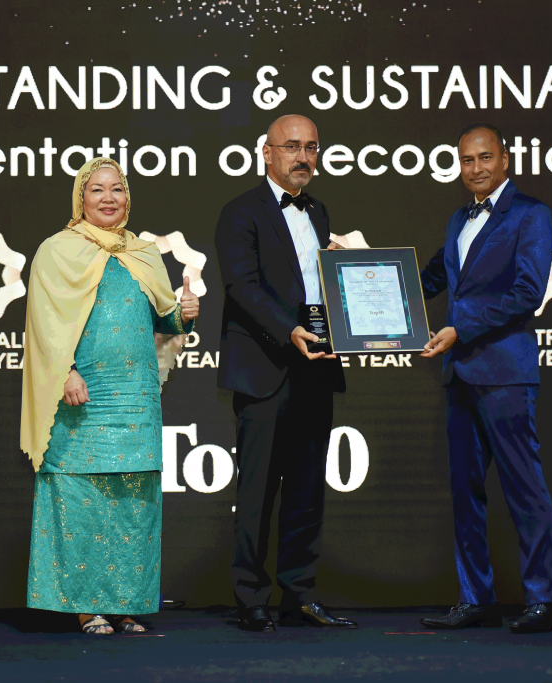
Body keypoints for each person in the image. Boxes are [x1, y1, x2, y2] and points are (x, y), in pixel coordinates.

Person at [21, 158, 199, 635]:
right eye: (96, 189)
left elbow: (162, 321)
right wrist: (65, 371)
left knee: (132, 500)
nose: (107, 197)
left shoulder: (143, 252)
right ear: (80, 197)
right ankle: (86, 607)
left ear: (127, 197)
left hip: (136, 398)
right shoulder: (57, 251)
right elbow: (44, 322)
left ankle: (124, 603)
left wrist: (183, 313)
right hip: (82, 395)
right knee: (81, 500)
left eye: (116, 189)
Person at [214, 115, 356, 633]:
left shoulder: (318, 211)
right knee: (257, 491)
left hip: (316, 365)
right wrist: (288, 330)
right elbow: (242, 286)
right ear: (267, 152)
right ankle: (251, 597)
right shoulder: (240, 211)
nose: (303, 156)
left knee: (306, 489)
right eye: (292, 146)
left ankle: (300, 594)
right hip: (265, 367)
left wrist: (340, 273)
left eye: (311, 147)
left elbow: (311, 286)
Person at [418, 123, 552, 634]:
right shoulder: (459, 218)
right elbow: (432, 277)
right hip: (460, 374)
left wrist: (461, 328)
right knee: (466, 492)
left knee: (524, 489)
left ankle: (541, 601)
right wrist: (361, 272)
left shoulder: (531, 214)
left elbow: (528, 292)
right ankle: (475, 598)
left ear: (505, 160)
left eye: (484, 157)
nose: (475, 168)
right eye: (466, 160)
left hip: (504, 372)